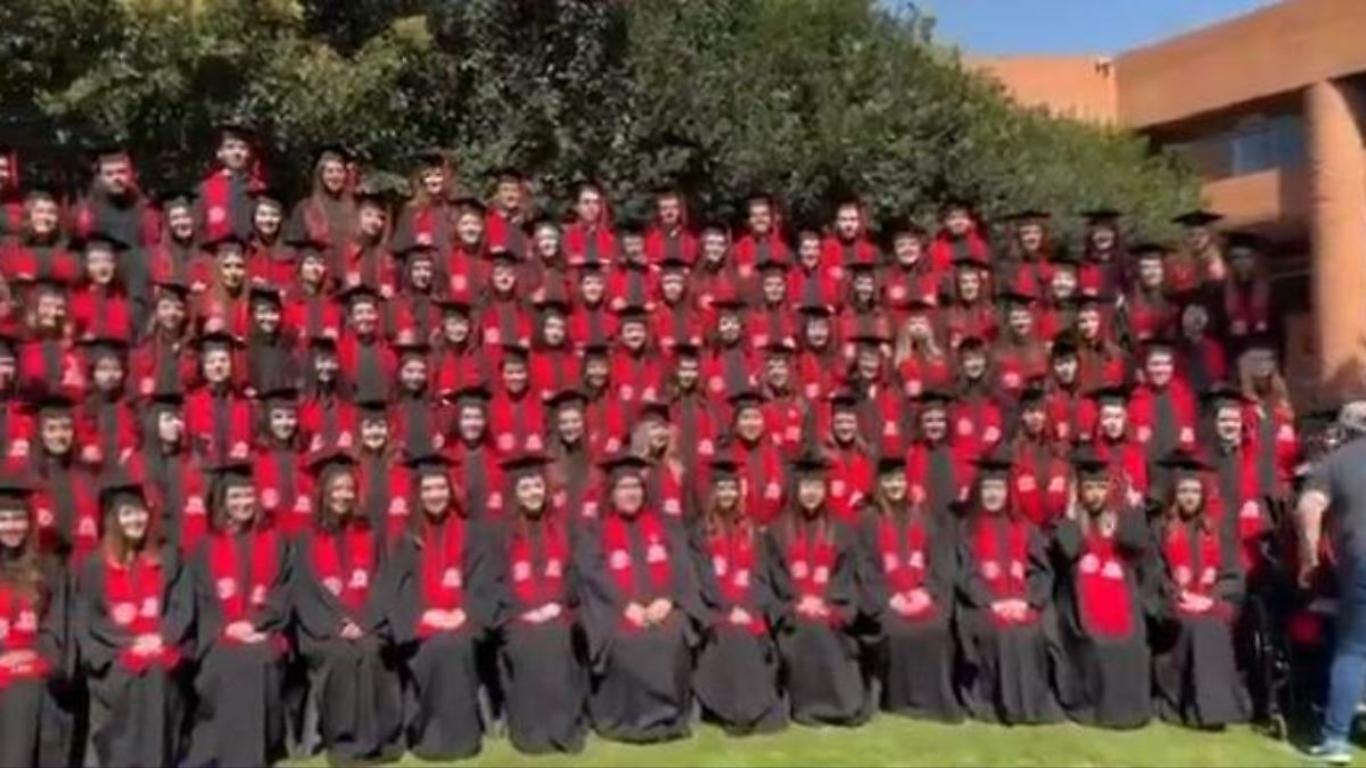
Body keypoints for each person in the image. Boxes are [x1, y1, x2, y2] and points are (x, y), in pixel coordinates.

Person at [575, 453, 701, 743]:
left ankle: (671, 716)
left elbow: (682, 566)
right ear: (612, 493)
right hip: (616, 611)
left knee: (672, 634)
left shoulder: (665, 525)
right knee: (627, 642)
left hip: (662, 606)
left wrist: (668, 599)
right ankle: (628, 719)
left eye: (636, 487)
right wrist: (624, 606)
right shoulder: (595, 529)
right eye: (623, 487)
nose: (630, 493)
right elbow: (593, 575)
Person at [290, 447, 402, 763]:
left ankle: (382, 742)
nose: (343, 495)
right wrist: (335, 626)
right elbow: (304, 592)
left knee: (370, 651)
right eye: (337, 489)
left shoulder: (370, 533)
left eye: (349, 489)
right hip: (323, 629)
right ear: (323, 493)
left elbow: (383, 582)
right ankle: (344, 744)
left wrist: (365, 621)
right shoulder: (305, 538)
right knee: (340, 655)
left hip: (368, 622)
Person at [76, 472, 193, 768]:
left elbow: (182, 607)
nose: (135, 520)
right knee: (134, 677)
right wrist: (129, 643)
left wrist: (162, 637)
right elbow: (89, 620)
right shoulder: (93, 566)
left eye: (140, 512)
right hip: (114, 656)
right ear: (113, 519)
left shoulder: (167, 558)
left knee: (156, 673)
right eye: (127, 514)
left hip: (162, 648)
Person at [388, 451, 497, 761]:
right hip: (421, 622)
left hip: (463, 619)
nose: (435, 495)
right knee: (435, 648)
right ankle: (427, 735)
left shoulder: (472, 533)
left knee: (455, 645)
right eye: (428, 489)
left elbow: (484, 583)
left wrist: (464, 612)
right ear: (418, 494)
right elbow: (396, 590)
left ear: (451, 491)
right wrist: (426, 614)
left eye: (441, 488)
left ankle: (462, 738)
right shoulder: (405, 538)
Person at [184, 460, 292, 767]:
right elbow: (200, 600)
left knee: (258, 658)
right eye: (235, 497)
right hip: (218, 634)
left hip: (263, 629)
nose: (243, 503)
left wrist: (256, 623)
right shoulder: (204, 547)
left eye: (248, 496)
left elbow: (282, 590)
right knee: (229, 662)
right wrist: (226, 628)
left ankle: (251, 754)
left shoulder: (275, 541)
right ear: (221, 501)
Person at [955, 451, 1061, 725]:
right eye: (988, 488)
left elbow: (1041, 571)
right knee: (1002, 632)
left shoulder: (1026, 528)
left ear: (1007, 492)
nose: (993, 494)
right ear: (979, 491)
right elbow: (965, 576)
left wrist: (1026, 600)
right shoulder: (967, 530)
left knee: (1029, 630)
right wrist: (994, 602)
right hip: (982, 606)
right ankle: (996, 704)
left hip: (1022, 603)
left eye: (999, 488)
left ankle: (1031, 705)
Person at [766, 447, 870, 726]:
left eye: (816, 486)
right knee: (808, 629)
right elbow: (773, 576)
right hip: (792, 610)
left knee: (825, 628)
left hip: (830, 607)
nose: (811, 492)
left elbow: (847, 576)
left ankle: (841, 706)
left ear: (825, 490)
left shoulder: (843, 530)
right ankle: (807, 707)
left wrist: (825, 602)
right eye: (805, 486)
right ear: (796, 490)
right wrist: (798, 601)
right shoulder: (776, 531)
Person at [493, 450, 588, 754]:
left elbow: (574, 576)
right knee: (527, 642)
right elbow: (494, 584)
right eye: (525, 488)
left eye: (537, 487)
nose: (532, 493)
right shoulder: (500, 534)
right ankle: (532, 732)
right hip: (515, 616)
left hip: (560, 611)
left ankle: (563, 729)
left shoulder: (562, 528)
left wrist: (556, 604)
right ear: (515, 494)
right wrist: (524, 611)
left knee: (556, 637)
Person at [855, 455, 962, 723]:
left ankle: (933, 700)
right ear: (880, 484)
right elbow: (863, 569)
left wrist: (926, 593)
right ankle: (899, 700)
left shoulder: (923, 517)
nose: (895, 486)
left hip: (921, 595)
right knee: (896, 629)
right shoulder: (868, 520)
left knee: (936, 627)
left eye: (900, 480)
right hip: (886, 600)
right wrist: (890, 599)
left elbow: (938, 562)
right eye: (889, 480)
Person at [1050, 448, 1151, 729]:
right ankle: (1096, 710)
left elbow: (1137, 545)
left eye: (1101, 487)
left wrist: (1131, 510)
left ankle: (1129, 711)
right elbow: (1068, 550)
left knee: (1130, 642)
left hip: (1120, 597)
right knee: (1096, 643)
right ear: (1079, 489)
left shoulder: (1118, 519)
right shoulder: (1069, 520)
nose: (1095, 494)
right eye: (1089, 487)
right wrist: (1071, 512)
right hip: (1079, 602)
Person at [1149, 449, 1248, 729]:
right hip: (1173, 607)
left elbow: (1233, 575)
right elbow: (1154, 575)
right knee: (1196, 626)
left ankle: (1215, 709)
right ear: (1174, 495)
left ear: (1203, 495)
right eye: (1183, 491)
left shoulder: (1218, 531)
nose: (1190, 497)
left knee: (1212, 624)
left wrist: (1210, 600)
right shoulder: (1161, 529)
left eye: (1194, 491)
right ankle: (1189, 708)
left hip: (1209, 603)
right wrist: (1179, 596)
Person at [690, 457, 787, 735]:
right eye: (721, 489)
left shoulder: (752, 530)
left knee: (748, 632)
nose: (727, 495)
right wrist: (727, 607)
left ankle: (752, 708)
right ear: (712, 493)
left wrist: (747, 606)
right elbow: (702, 577)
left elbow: (761, 576)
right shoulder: (700, 532)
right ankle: (730, 709)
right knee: (731, 635)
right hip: (714, 609)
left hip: (749, 607)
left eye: (732, 489)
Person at [1297, 401, 1366, 763]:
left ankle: (1335, 740)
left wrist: (1309, 561)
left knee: (1353, 650)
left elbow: (1309, 507)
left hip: (1361, 563)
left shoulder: (1335, 463)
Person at [0, 471, 74, 768]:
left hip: (35, 676)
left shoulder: (49, 570)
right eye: (3, 519)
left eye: (19, 519)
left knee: (29, 694)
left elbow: (57, 628)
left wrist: (32, 658)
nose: (12, 527)